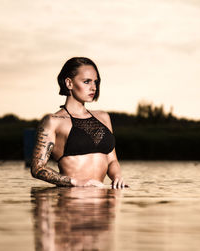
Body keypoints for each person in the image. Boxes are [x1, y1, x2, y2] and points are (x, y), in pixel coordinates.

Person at [30, 57, 127, 189]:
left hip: (103, 202)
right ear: (69, 83)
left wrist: (117, 176)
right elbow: (37, 169)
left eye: (95, 82)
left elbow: (112, 160)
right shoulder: (53, 121)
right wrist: (75, 182)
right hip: (71, 201)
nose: (93, 87)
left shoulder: (103, 117)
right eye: (86, 81)